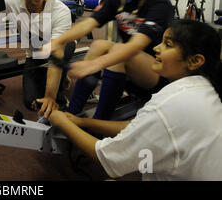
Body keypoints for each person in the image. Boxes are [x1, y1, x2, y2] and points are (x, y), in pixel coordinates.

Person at [48, 19, 222, 180]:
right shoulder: (205, 89)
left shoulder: (169, 103)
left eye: (167, 45)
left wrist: (62, 121)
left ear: (195, 61)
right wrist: (81, 122)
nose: (156, 48)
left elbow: (107, 159)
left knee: (98, 172)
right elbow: (136, 126)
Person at [45, 0, 173, 119]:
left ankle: (100, 121)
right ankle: (72, 112)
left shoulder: (159, 3)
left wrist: (95, 65)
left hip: (159, 74)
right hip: (129, 70)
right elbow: (89, 23)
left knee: (120, 52)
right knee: (98, 44)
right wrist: (59, 40)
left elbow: (136, 45)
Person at [0, 0, 75, 118]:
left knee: (51, 95)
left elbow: (56, 54)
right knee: (31, 101)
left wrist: (51, 97)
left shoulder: (61, 11)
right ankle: (56, 77)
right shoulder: (12, 1)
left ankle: (61, 82)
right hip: (34, 52)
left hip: (61, 47)